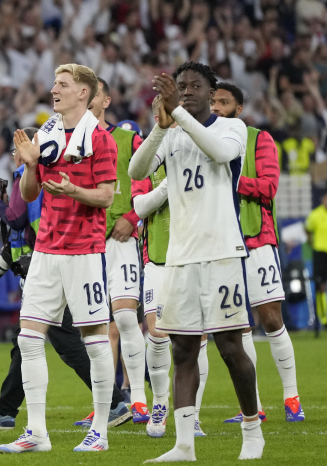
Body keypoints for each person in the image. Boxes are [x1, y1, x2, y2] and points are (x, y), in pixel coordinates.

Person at [129, 62, 264, 462]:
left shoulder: (230, 128)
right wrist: (160, 125)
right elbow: (137, 169)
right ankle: (184, 445)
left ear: (211, 91)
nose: (186, 90)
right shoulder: (172, 132)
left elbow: (220, 153)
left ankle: (252, 430)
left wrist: (180, 115)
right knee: (183, 351)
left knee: (229, 347)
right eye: (180, 86)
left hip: (222, 253)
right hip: (180, 259)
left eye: (194, 86)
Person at [0, 126, 130, 431]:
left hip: (46, 261)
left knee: (66, 340)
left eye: (18, 146)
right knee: (26, 340)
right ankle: (5, 411)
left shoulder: (28, 171)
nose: (15, 154)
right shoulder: (44, 170)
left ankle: (114, 402)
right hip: (51, 256)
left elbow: (17, 218)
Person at [0, 64, 118, 453]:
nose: (54, 90)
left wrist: (73, 189)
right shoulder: (46, 134)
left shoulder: (101, 140)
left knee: (95, 341)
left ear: (84, 93)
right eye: (54, 84)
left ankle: (99, 430)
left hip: (84, 251)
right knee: (30, 338)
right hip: (47, 249)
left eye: (63, 85)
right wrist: (31, 165)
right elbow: (31, 195)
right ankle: (37, 433)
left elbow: (106, 196)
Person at [211, 82, 304, 423]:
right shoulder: (204, 142)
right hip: (220, 243)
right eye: (213, 102)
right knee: (239, 326)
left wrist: (230, 181)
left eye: (224, 102)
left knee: (270, 319)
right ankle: (255, 407)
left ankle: (292, 398)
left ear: (238, 109)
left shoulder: (258, 139)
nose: (217, 107)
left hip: (256, 239)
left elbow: (268, 187)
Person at [74, 77, 148, 428]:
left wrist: (133, 217)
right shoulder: (72, 142)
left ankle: (139, 400)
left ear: (105, 99)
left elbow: (151, 177)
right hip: (87, 242)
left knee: (124, 317)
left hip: (120, 239)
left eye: (92, 93)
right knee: (96, 327)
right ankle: (107, 402)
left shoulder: (129, 139)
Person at [131, 112, 210, 438]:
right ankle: (161, 403)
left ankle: (192, 415)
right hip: (159, 258)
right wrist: (168, 184)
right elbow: (139, 207)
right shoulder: (149, 158)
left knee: (200, 339)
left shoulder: (199, 152)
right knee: (158, 333)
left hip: (195, 256)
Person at [306, 191, 327, 326]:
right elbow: (307, 229)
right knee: (320, 285)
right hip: (320, 253)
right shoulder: (315, 214)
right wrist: (311, 242)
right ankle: (324, 318)